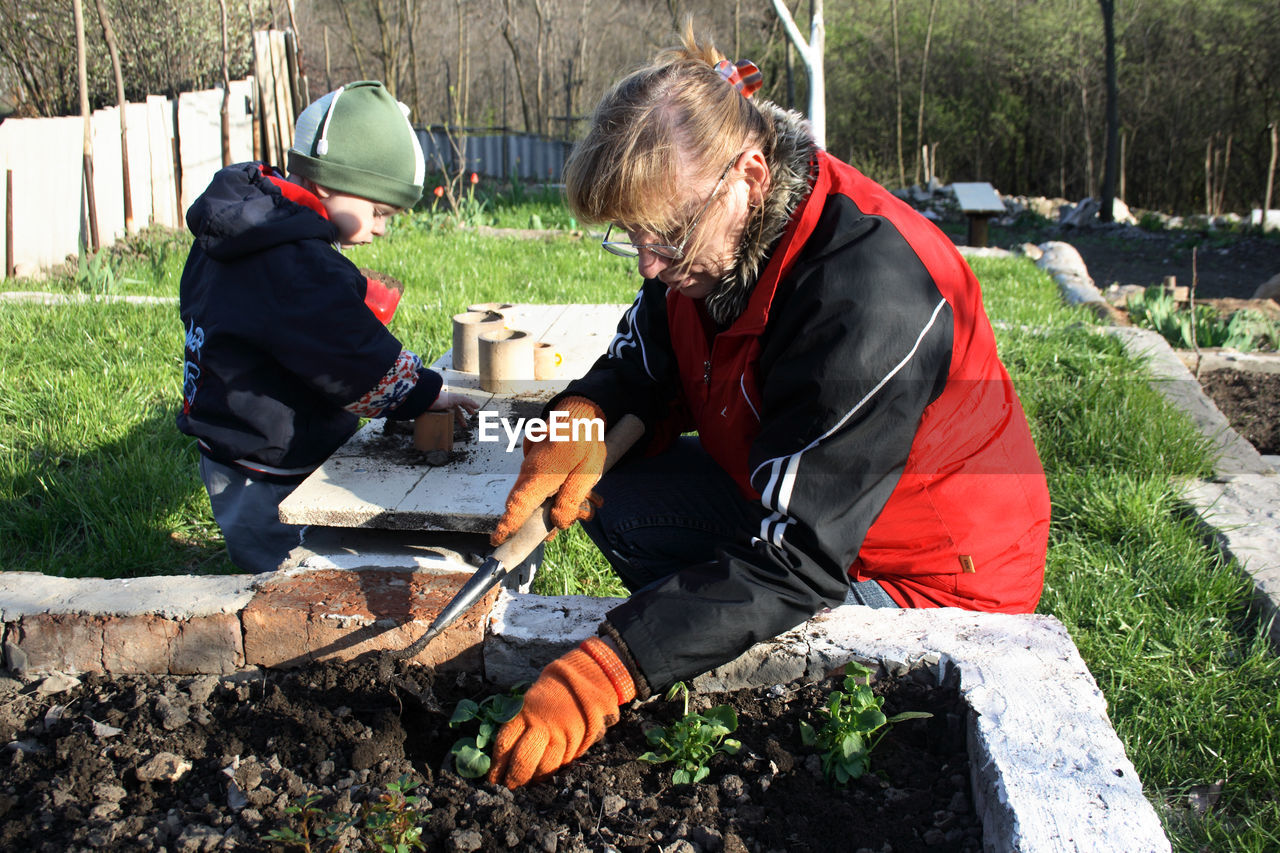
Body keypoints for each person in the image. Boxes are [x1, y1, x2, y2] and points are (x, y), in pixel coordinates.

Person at [484, 26, 1051, 789]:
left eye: (667, 237)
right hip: (800, 502)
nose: (650, 265)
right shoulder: (703, 246)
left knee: (771, 640)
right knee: (616, 495)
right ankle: (706, 637)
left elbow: (799, 556)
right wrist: (581, 413)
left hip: (930, 571)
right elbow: (643, 361)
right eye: (632, 238)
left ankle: (742, 683)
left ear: (751, 174)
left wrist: (611, 666)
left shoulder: (868, 293)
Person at [177, 80, 477, 573]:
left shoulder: (249, 226)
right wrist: (423, 393)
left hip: (231, 432)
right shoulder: (298, 263)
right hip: (270, 461)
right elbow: (351, 359)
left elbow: (276, 315)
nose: (381, 228)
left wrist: (347, 295)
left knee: (265, 546)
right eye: (379, 211)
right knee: (288, 576)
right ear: (330, 182)